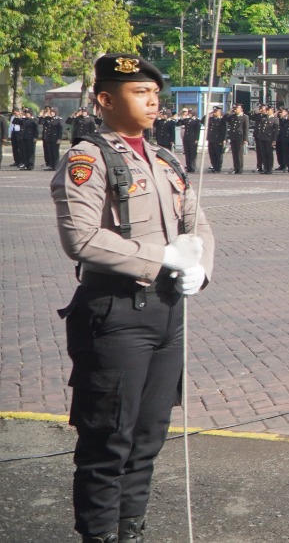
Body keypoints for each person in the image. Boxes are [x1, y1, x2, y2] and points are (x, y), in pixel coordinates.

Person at [51, 55, 216, 543]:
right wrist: (162, 255)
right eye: (140, 92)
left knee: (148, 437)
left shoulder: (163, 158)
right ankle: (100, 535)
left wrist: (199, 264)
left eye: (154, 93)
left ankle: (131, 531)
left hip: (166, 314)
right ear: (105, 99)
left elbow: (196, 219)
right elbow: (81, 239)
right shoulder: (88, 158)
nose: (152, 100)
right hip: (117, 313)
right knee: (108, 441)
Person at [226, 104, 250, 175]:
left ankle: (240, 168)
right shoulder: (232, 116)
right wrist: (229, 112)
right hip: (233, 136)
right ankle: (236, 167)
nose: (235, 110)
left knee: (239, 153)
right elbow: (225, 119)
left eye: (236, 109)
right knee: (234, 153)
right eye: (234, 109)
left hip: (240, 137)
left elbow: (246, 128)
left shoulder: (244, 117)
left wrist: (245, 139)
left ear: (240, 109)